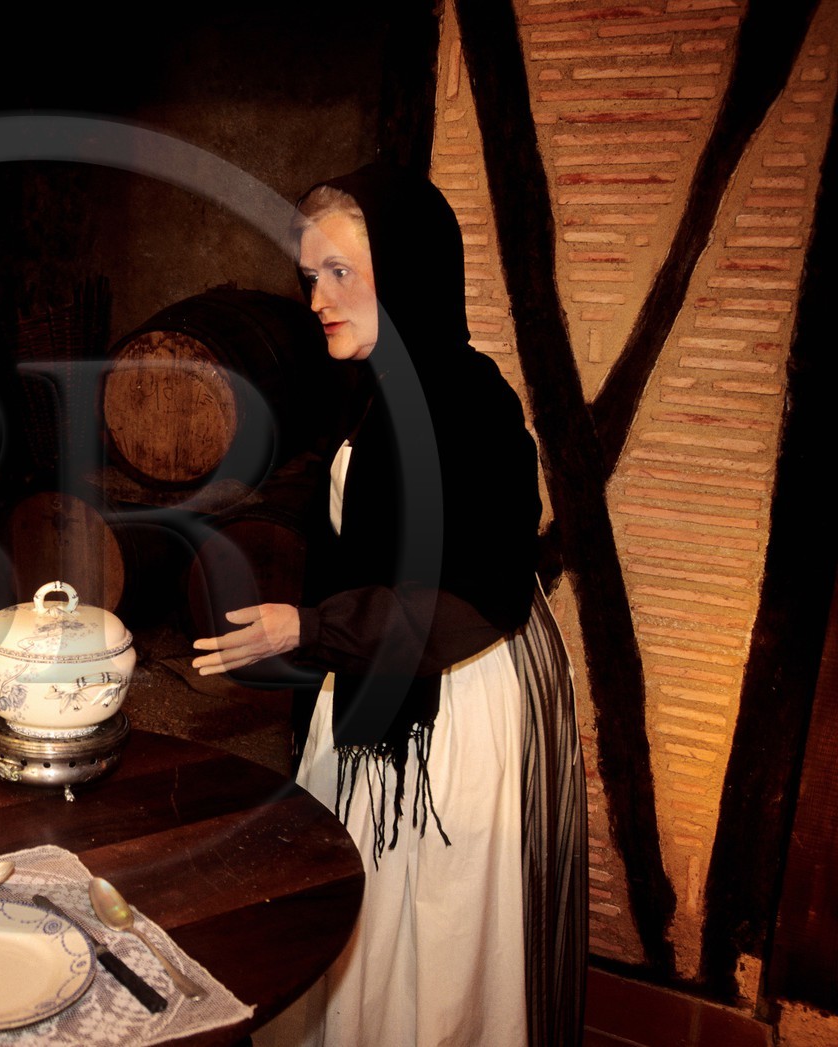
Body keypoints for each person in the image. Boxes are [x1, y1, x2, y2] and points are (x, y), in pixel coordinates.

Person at [191, 163, 586, 1046]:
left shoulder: (470, 404)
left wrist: (311, 627)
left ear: (407, 272)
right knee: (364, 916)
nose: (318, 299)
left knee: (431, 934)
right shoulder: (377, 390)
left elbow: (476, 589)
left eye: (342, 273)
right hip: (380, 675)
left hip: (456, 701)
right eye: (310, 276)